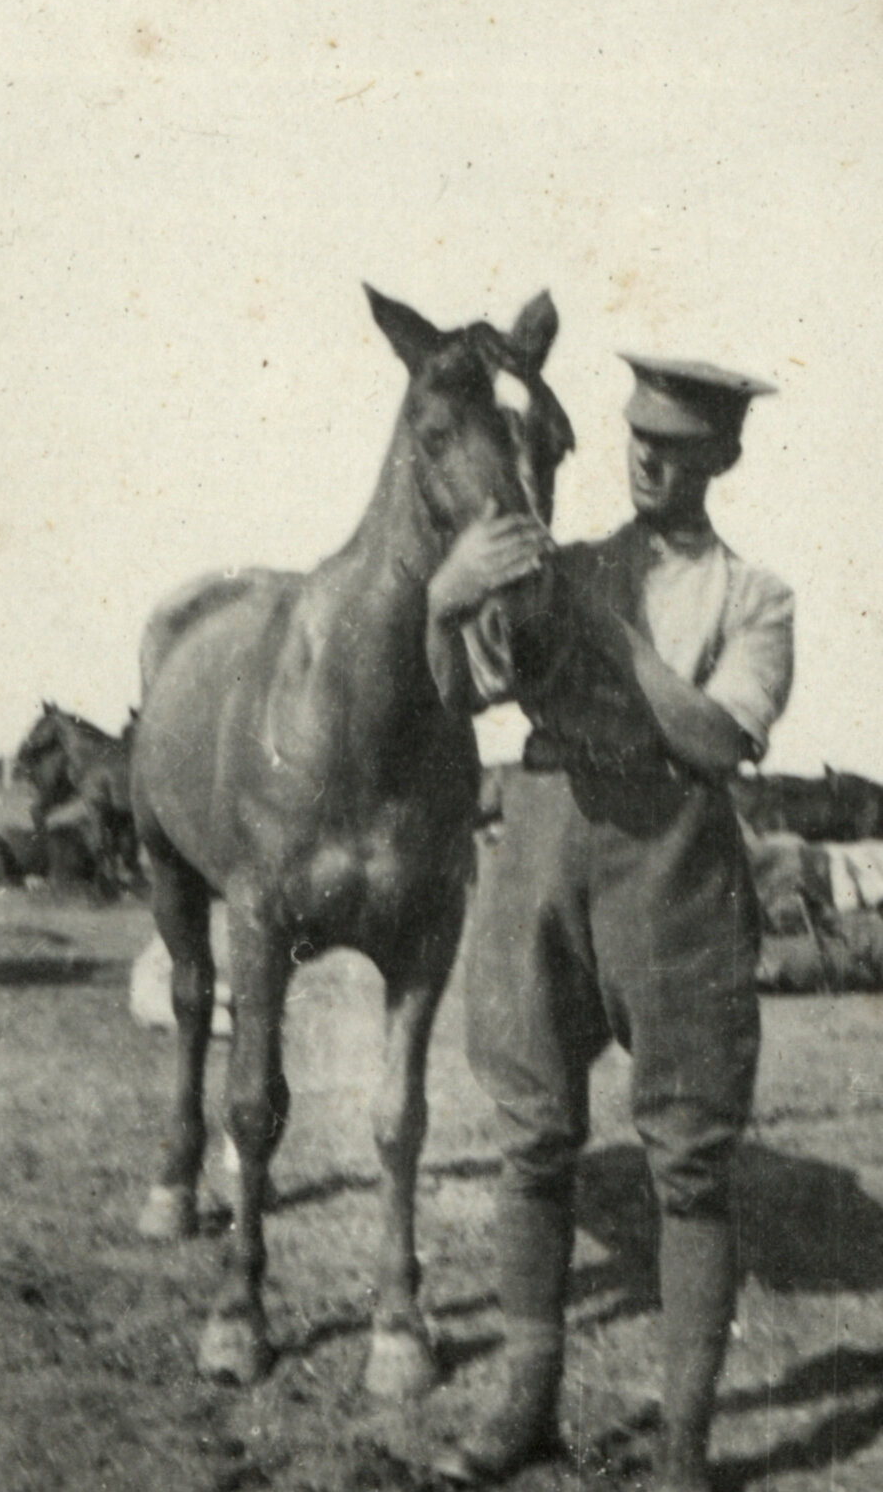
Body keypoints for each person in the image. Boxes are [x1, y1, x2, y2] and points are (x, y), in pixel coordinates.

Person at [426, 355, 795, 1491]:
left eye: (677, 445)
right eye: (637, 434)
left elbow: (719, 741)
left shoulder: (753, 596)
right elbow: (461, 695)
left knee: (688, 1161)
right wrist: (445, 600)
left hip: (673, 859)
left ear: (722, 457)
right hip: (541, 839)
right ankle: (523, 1406)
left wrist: (611, 629)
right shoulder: (557, 563)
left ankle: (683, 1446)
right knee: (532, 1137)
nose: (647, 455)